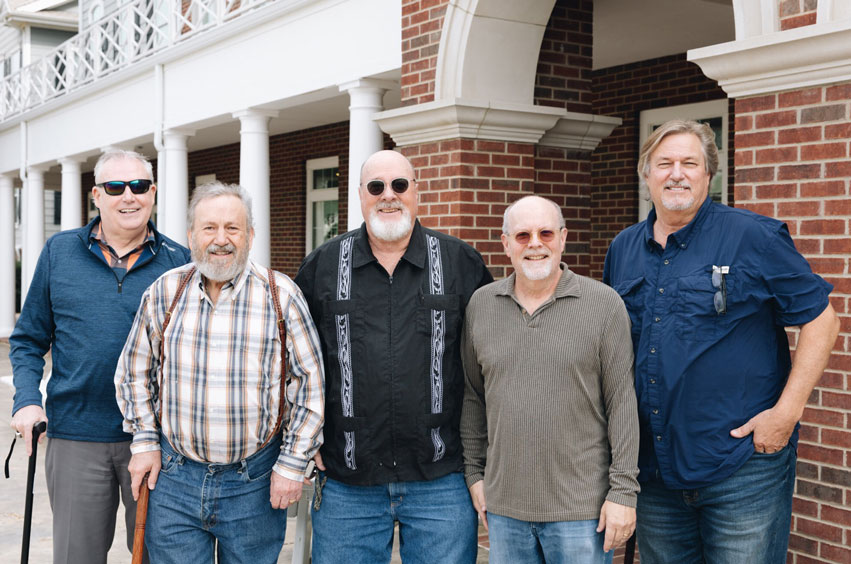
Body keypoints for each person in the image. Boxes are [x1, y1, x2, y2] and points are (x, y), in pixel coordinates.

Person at [603, 120, 840, 563]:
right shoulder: (623, 248)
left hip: (742, 466)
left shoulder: (754, 237)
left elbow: (823, 321)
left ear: (709, 175)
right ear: (646, 175)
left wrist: (786, 414)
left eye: (689, 163)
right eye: (664, 163)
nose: (677, 174)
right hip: (654, 472)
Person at [295, 149, 493, 564]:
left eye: (400, 185)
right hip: (349, 481)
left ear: (416, 191)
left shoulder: (462, 263)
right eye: (376, 187)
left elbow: (489, 363)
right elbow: (294, 361)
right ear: (361, 196)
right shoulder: (323, 266)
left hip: (441, 478)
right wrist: (302, 435)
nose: (389, 196)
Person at [114, 182, 324, 563]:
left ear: (250, 235)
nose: (221, 239)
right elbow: (134, 372)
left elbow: (310, 387)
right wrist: (144, 442)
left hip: (254, 485)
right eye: (209, 228)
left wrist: (293, 465)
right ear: (192, 235)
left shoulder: (282, 296)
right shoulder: (164, 292)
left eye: (233, 228)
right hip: (175, 479)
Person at [9, 150, 190, 564]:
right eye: (115, 187)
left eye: (139, 186)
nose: (129, 196)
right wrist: (27, 400)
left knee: (155, 556)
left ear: (154, 192)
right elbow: (28, 339)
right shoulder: (59, 252)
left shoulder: (178, 262)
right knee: (77, 556)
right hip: (76, 436)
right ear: (96, 195)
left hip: (155, 442)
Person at [460, 195, 639, 564]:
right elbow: (473, 397)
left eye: (545, 233)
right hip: (504, 507)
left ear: (563, 238)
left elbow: (622, 403)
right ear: (505, 243)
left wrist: (623, 493)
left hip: (581, 512)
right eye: (523, 235)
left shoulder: (604, 304)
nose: (536, 244)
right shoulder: (481, 305)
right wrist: (474, 474)